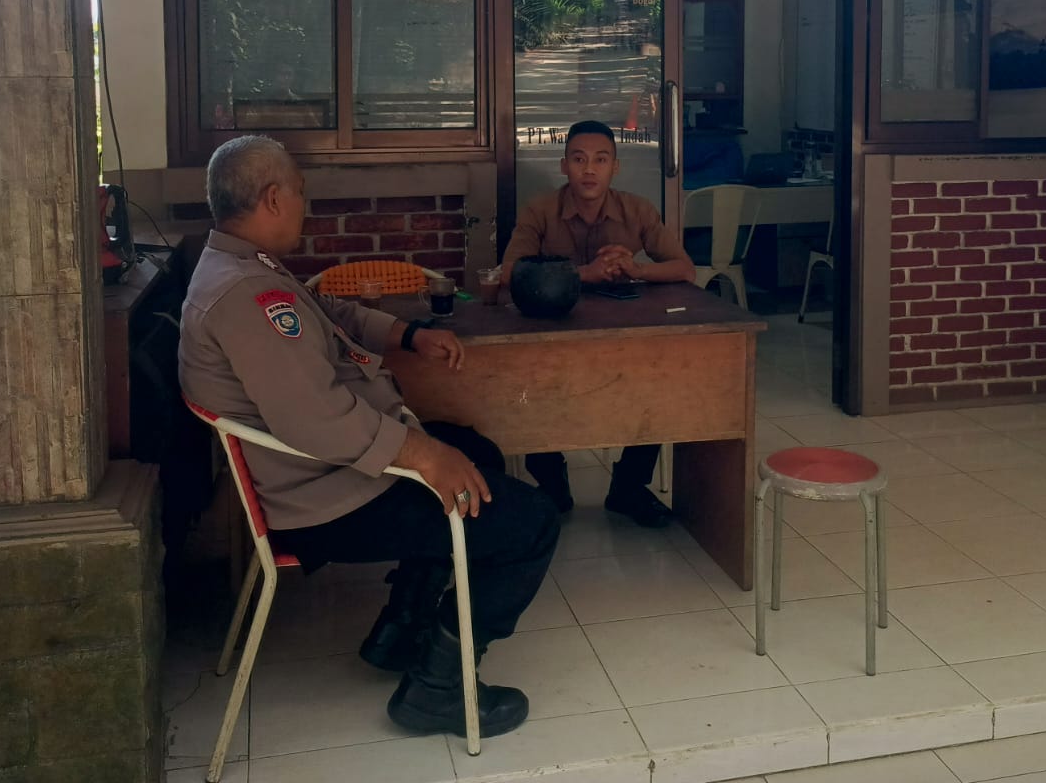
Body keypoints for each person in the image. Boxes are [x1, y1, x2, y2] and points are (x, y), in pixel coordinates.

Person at [179, 135, 559, 739]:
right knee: (531, 523)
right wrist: (423, 455)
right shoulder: (247, 294)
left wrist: (407, 334)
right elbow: (317, 420)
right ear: (273, 199)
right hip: (327, 499)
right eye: (300, 193)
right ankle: (436, 688)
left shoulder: (243, 265)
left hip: (323, 472)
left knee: (476, 450)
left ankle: (401, 629)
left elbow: (329, 315)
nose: (304, 205)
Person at [501, 120, 697, 527]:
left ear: (615, 167)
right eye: (579, 159)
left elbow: (684, 268)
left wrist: (637, 269)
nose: (589, 169)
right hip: (553, 335)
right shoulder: (539, 211)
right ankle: (552, 485)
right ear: (564, 166)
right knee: (525, 381)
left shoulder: (637, 210)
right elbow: (510, 274)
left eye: (601, 160)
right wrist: (584, 274)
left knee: (661, 382)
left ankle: (628, 487)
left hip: (623, 333)